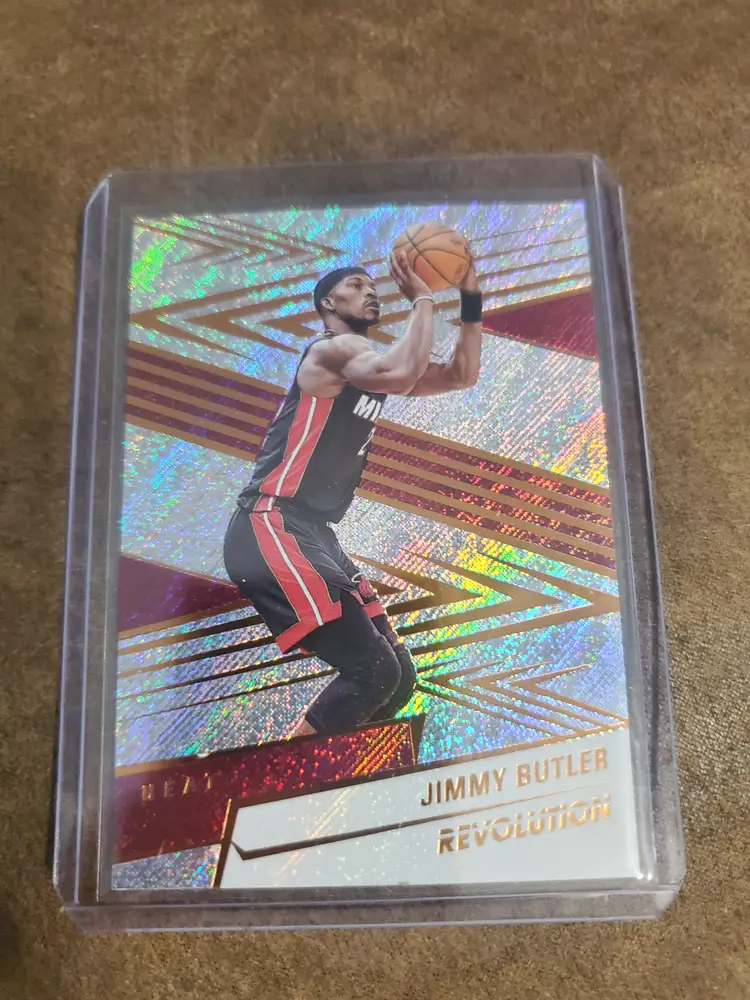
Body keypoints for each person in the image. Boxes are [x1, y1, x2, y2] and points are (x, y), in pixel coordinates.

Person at [224, 249, 483, 737]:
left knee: (398, 677)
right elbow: (400, 372)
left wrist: (470, 298)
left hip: (314, 531)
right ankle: (280, 775)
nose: (370, 292)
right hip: (270, 522)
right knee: (373, 670)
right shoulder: (331, 351)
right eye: (357, 285)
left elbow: (460, 375)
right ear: (328, 302)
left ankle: (336, 766)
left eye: (373, 286)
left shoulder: (368, 365)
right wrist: (423, 299)